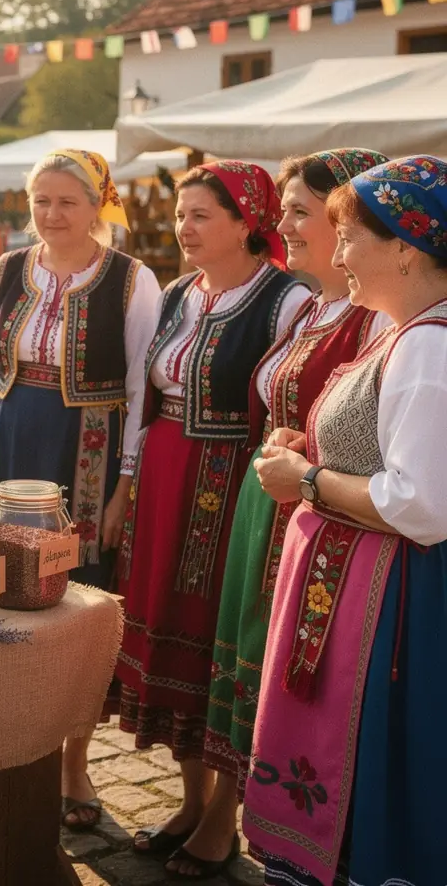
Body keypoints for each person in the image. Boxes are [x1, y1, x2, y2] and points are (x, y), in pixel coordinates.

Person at [246, 156, 447, 886]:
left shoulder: (428, 346)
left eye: (351, 236)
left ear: (405, 245)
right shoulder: (410, 332)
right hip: (366, 584)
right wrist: (319, 450)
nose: (337, 256)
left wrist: (306, 480)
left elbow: (421, 504)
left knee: (376, 762)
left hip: (392, 599)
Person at [0, 148, 161, 829]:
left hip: (88, 455)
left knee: (76, 603)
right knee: (1, 592)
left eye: (66, 201)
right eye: (40, 200)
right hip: (10, 443)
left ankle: (74, 763)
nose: (50, 214)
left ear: (98, 203)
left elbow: (141, 390)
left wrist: (124, 486)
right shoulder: (5, 271)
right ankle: (5, 750)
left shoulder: (132, 282)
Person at [195, 150, 390, 871]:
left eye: (302, 211)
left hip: (321, 514)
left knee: (291, 678)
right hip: (274, 502)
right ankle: (220, 806)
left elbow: (372, 440)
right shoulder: (315, 304)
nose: (284, 225)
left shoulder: (379, 321)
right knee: (251, 658)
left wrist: (302, 462)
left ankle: (264, 822)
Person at [117, 162, 311, 878]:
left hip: (232, 486)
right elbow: (150, 396)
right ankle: (190, 800)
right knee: (167, 631)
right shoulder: (177, 294)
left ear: (246, 221)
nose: (183, 229)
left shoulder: (287, 301)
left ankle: (224, 815)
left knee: (214, 635)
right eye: (180, 216)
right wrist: (130, 486)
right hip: (169, 472)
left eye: (200, 216)